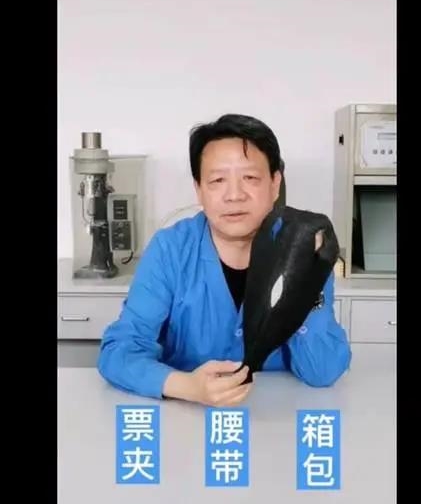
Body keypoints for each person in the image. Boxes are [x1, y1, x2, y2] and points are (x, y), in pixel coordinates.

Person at [97, 114, 352, 406]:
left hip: (277, 417)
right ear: (199, 189)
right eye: (218, 180)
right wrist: (186, 386)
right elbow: (120, 351)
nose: (234, 195)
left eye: (250, 178)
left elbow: (323, 371)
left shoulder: (304, 247)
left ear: (275, 183)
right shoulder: (170, 249)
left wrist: (306, 282)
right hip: (184, 416)